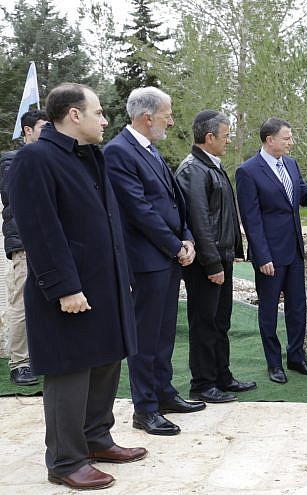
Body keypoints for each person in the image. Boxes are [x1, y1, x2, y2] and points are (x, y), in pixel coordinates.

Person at [8, 82, 146, 490]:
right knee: (70, 371)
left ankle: (96, 439)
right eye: (99, 112)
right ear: (73, 115)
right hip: (68, 291)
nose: (105, 120)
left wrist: (124, 277)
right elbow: (40, 230)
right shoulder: (35, 159)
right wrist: (64, 288)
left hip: (104, 284)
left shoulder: (92, 157)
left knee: (106, 360)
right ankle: (66, 461)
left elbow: (107, 222)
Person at [104, 87, 204, 437]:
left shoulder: (149, 149)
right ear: (148, 117)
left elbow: (173, 201)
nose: (171, 120)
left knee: (163, 334)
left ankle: (164, 393)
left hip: (168, 255)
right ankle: (144, 409)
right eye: (167, 114)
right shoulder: (118, 152)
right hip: (147, 261)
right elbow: (139, 211)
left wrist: (187, 237)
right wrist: (175, 245)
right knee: (146, 338)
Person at [236, 117, 307, 384]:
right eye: (287, 138)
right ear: (270, 140)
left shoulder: (291, 165)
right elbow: (251, 218)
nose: (291, 143)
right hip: (269, 255)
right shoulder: (248, 171)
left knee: (297, 307)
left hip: (294, 251)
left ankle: (296, 358)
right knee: (269, 311)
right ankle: (274, 364)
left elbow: (303, 197)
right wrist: (262, 256)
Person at [176, 110, 255, 403]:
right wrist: (211, 263)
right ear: (209, 138)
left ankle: (222, 375)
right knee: (204, 322)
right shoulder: (192, 170)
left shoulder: (212, 166)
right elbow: (199, 220)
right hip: (206, 263)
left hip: (220, 257)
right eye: (226, 136)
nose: (230, 141)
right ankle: (202, 384)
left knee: (220, 321)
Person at [1, 109, 48, 386]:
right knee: (22, 302)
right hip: (25, 244)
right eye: (44, 127)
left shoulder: (49, 159)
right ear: (27, 131)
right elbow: (13, 197)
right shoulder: (11, 160)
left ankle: (42, 355)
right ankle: (20, 362)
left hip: (49, 244)